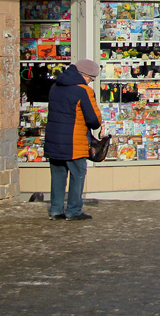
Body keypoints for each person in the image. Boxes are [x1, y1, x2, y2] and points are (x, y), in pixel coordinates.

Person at [44, 59, 103, 221]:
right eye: (91, 79)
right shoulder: (83, 91)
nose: (91, 82)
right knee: (78, 173)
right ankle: (73, 210)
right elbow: (93, 120)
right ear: (85, 76)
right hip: (73, 141)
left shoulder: (55, 87)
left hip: (54, 140)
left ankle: (56, 210)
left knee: (57, 176)